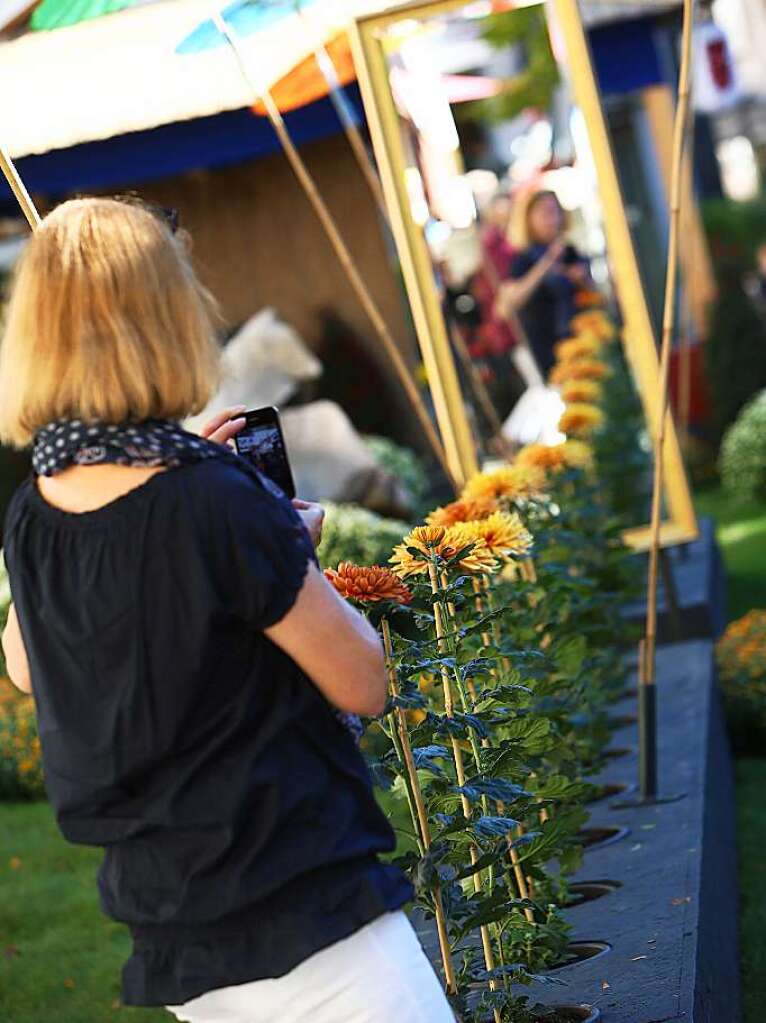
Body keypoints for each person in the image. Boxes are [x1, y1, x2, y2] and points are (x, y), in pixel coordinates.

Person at [0, 198, 454, 1023]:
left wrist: (198, 490)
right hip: (306, 908)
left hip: (176, 935)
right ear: (164, 318)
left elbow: (25, 666)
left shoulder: (34, 511)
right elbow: (362, 680)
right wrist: (286, 549)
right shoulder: (218, 503)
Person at [497, 189, 591, 376]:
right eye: (544, 213)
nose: (552, 219)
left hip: (579, 343)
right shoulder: (521, 260)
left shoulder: (569, 252)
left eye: (554, 211)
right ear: (528, 219)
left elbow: (591, 294)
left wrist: (581, 278)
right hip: (547, 352)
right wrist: (547, 263)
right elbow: (505, 308)